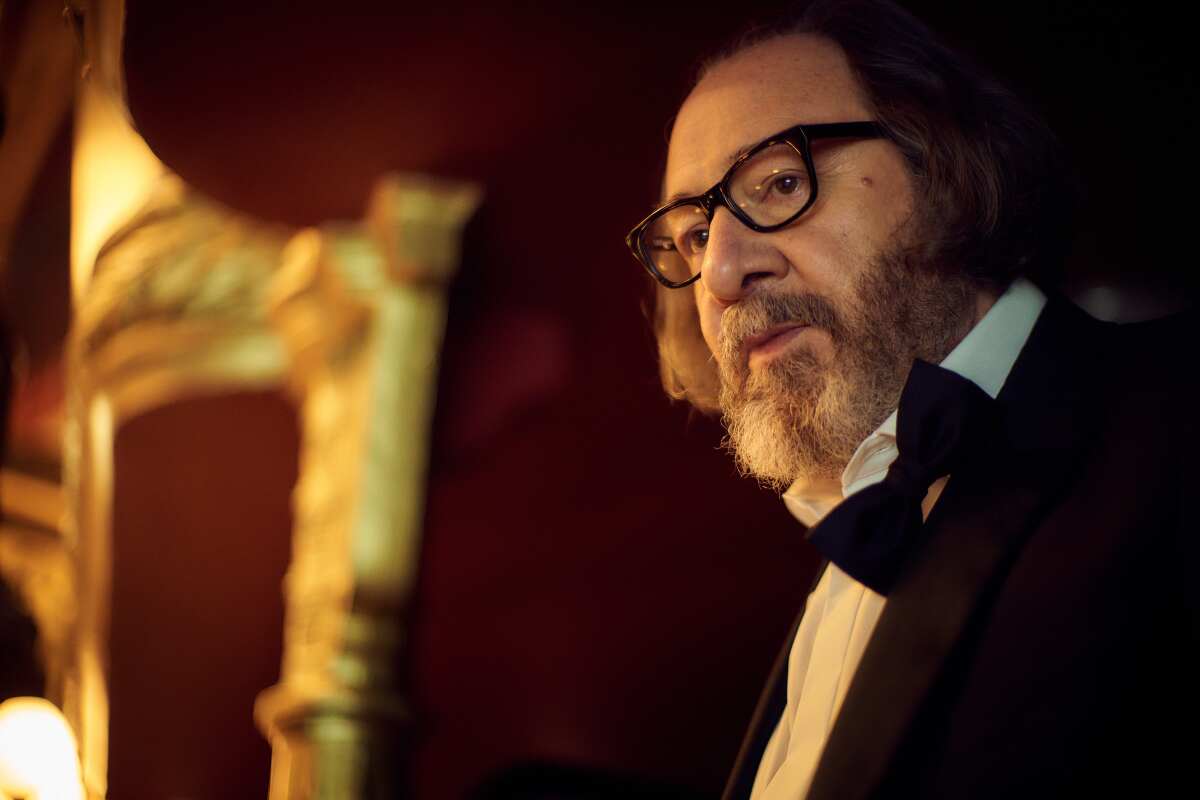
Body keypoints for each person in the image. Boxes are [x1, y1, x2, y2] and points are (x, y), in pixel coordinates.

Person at [624, 1, 1198, 798]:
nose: (720, 275)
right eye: (693, 235)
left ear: (946, 167)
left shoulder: (1180, 412)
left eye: (782, 182)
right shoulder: (848, 549)